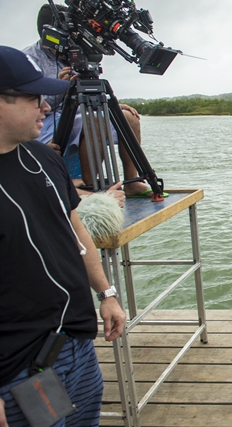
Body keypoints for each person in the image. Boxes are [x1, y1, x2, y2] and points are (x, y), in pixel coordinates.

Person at [0, 45, 126, 426]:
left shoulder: (44, 159)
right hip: (19, 368)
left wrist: (106, 294)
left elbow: (75, 228)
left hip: (74, 346)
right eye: (35, 97)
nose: (46, 107)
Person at [23, 4, 155, 204]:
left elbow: (88, 85)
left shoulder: (74, 51)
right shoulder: (29, 58)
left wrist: (115, 106)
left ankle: (131, 182)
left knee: (129, 119)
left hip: (75, 113)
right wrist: (59, 87)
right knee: (94, 121)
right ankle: (91, 185)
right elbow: (30, 104)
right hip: (44, 120)